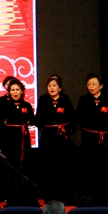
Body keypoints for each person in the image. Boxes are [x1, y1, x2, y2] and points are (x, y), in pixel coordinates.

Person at [76, 74, 108, 207]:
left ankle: (107, 199)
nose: (91, 87)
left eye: (94, 84)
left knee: (106, 170)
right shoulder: (84, 99)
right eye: (89, 84)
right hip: (89, 140)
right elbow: (78, 118)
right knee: (90, 169)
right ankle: (89, 199)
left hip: (106, 141)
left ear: (101, 86)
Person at [0, 77, 36, 206]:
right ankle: (12, 199)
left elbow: (31, 120)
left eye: (18, 89)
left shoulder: (27, 105)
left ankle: (26, 198)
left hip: (24, 140)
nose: (15, 92)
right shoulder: (4, 105)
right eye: (13, 90)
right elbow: (0, 120)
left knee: (25, 167)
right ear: (8, 91)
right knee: (11, 169)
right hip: (9, 140)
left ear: (22, 91)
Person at [34, 74, 76, 203]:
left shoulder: (65, 99)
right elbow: (38, 119)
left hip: (62, 139)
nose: (51, 88)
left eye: (54, 85)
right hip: (48, 139)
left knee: (64, 166)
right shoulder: (43, 99)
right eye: (49, 86)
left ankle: (65, 197)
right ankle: (50, 197)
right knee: (49, 167)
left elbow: (72, 118)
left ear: (60, 88)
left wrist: (67, 130)